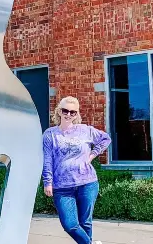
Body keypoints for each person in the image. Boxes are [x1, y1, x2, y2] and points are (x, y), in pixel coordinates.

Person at [42, 96, 111, 244]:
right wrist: (48, 182)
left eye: (73, 112)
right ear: (59, 111)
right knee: (70, 225)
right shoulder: (50, 134)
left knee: (85, 222)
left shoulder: (85, 130)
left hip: (87, 183)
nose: (68, 114)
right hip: (62, 187)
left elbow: (106, 138)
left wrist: (92, 154)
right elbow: (47, 159)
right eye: (65, 110)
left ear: (77, 114)